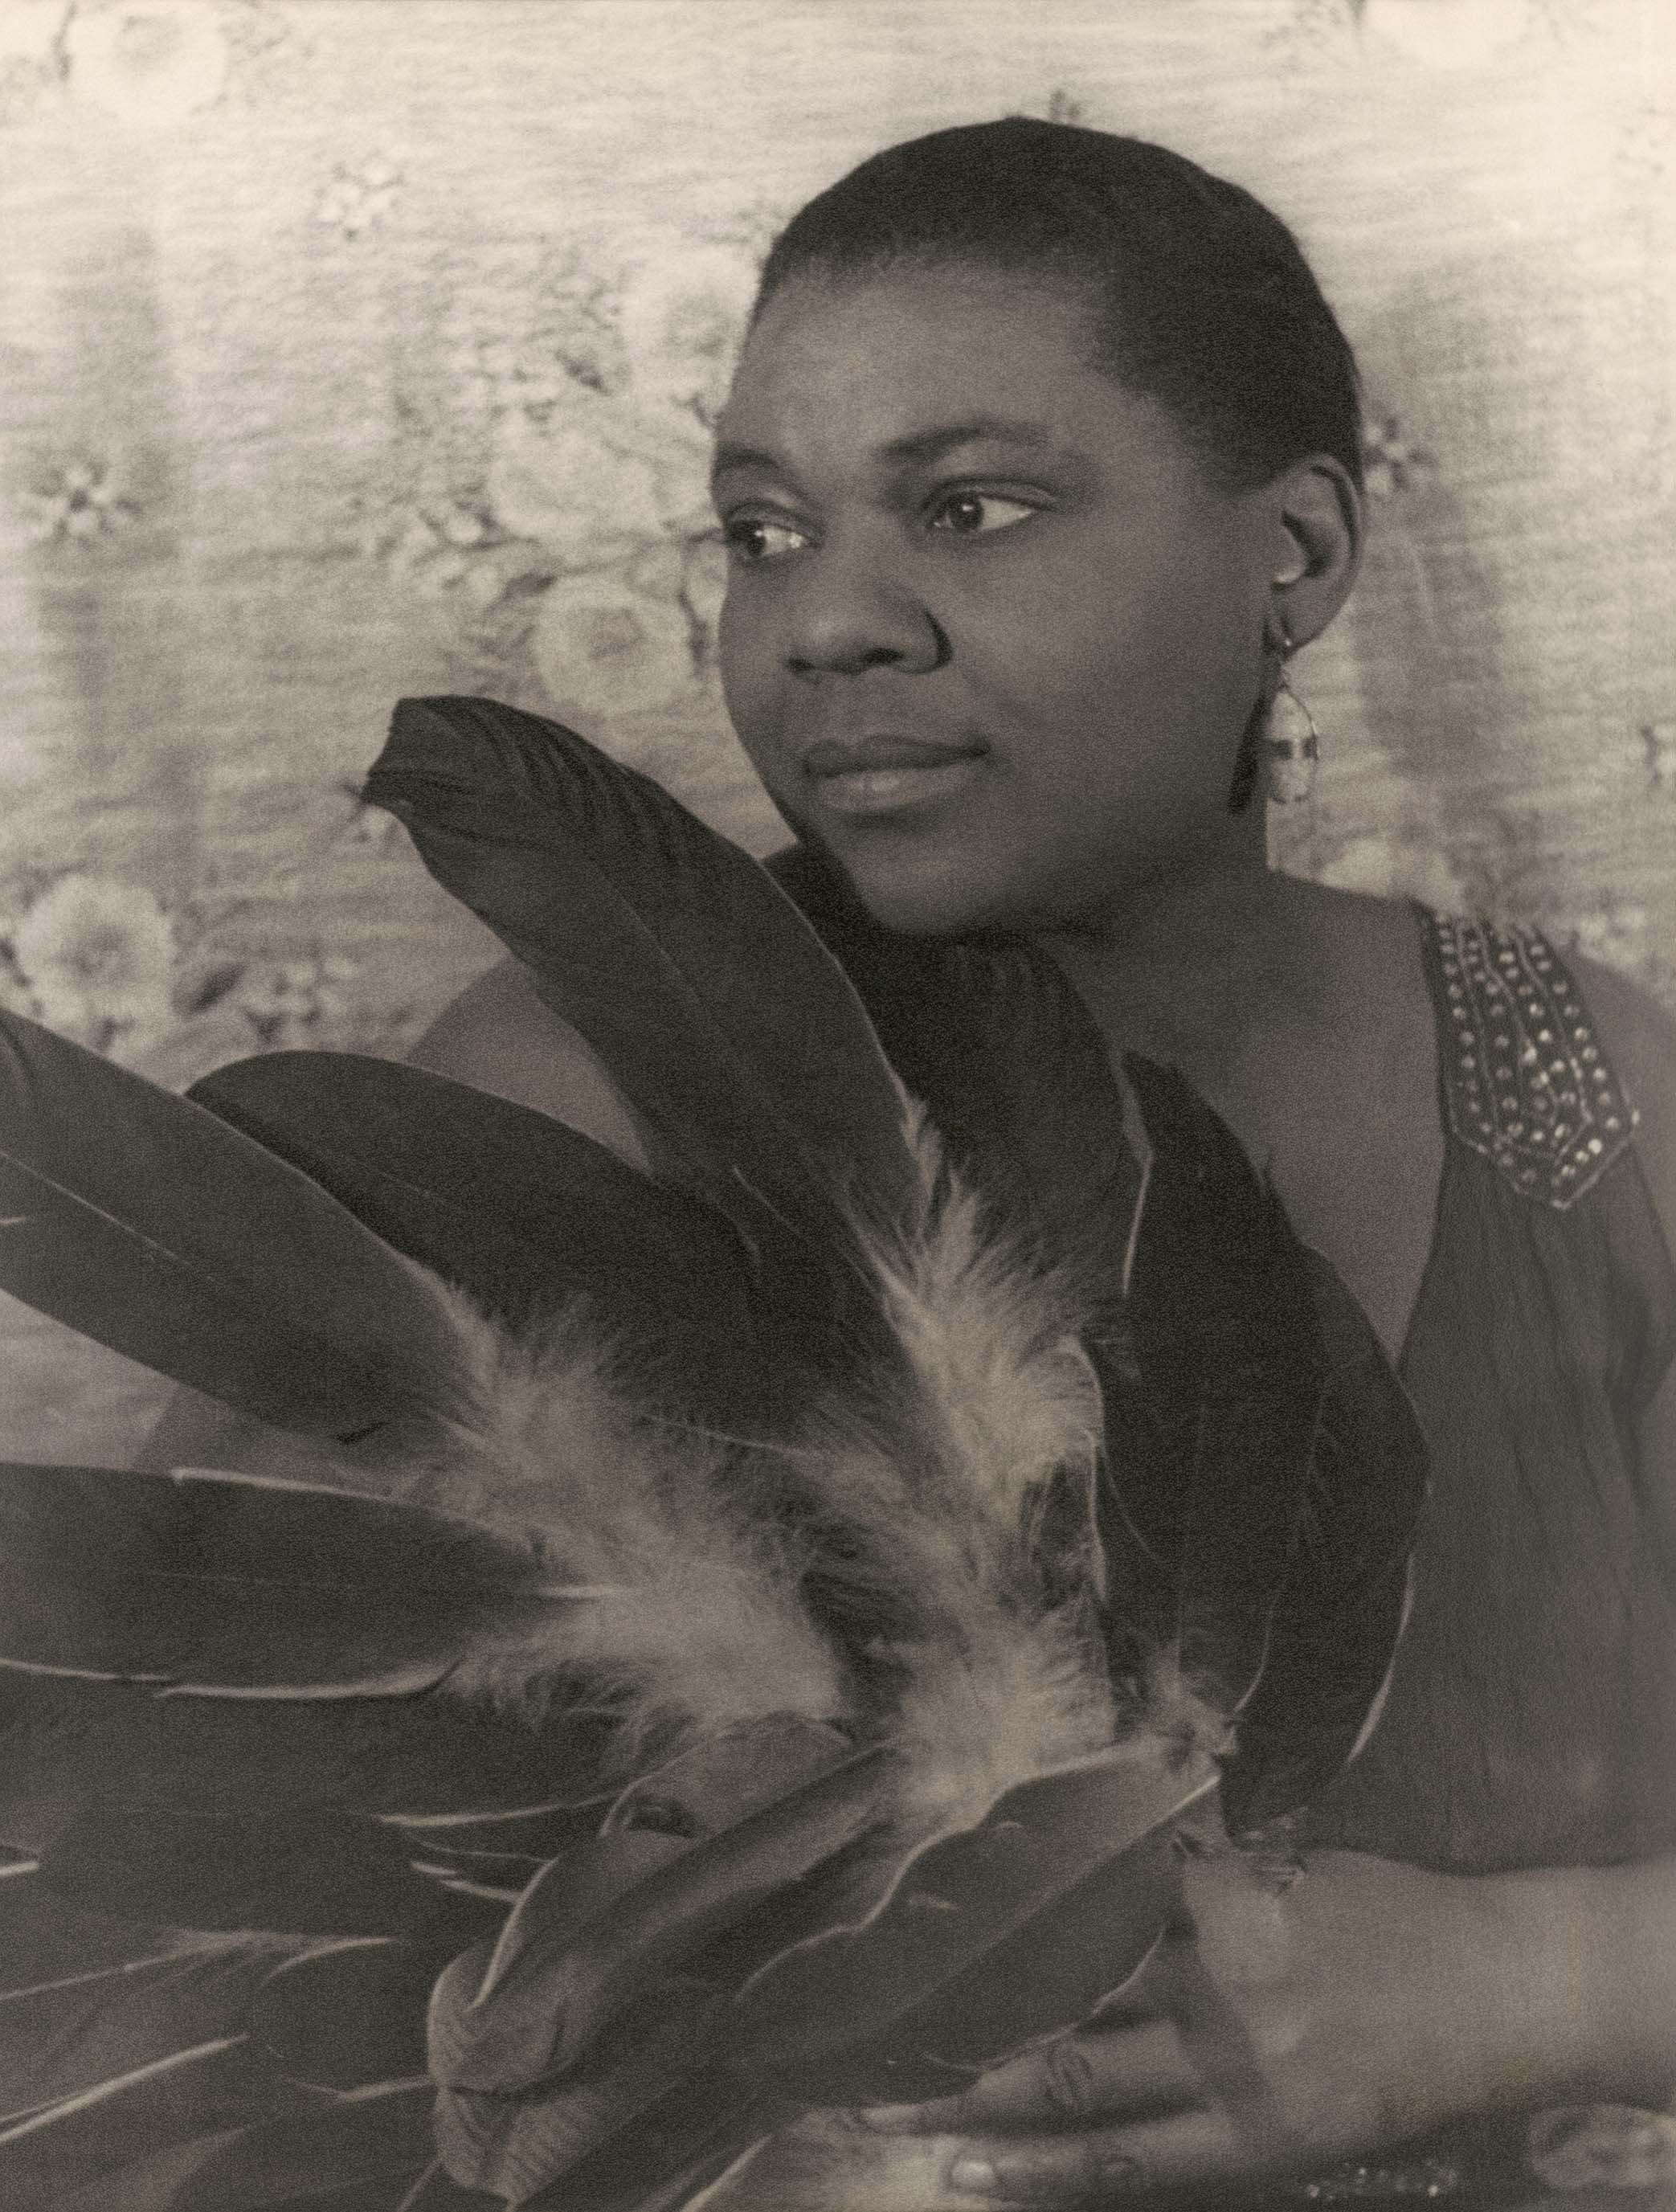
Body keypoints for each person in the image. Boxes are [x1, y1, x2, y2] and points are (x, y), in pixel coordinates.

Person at [145, 119, 1676, 2203]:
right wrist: (484, 2059)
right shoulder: (564, 1105)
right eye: (762, 532)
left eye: (970, 504)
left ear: (1296, 557)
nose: (823, 623)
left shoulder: (1579, 1093)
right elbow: (144, 1886)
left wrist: (1526, 1977)